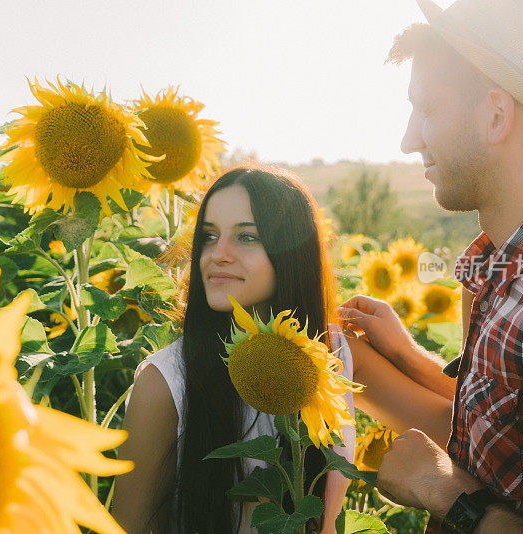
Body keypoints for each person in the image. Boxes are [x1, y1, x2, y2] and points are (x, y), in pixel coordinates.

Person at [341, 0, 523, 532]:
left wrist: (445, 491)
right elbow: (517, 443)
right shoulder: (511, 267)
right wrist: (406, 359)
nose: (410, 140)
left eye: (428, 109)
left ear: (497, 115)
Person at [111, 166, 356, 533]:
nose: (218, 254)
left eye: (246, 237)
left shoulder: (330, 354)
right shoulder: (165, 382)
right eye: (209, 236)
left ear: (292, 249)